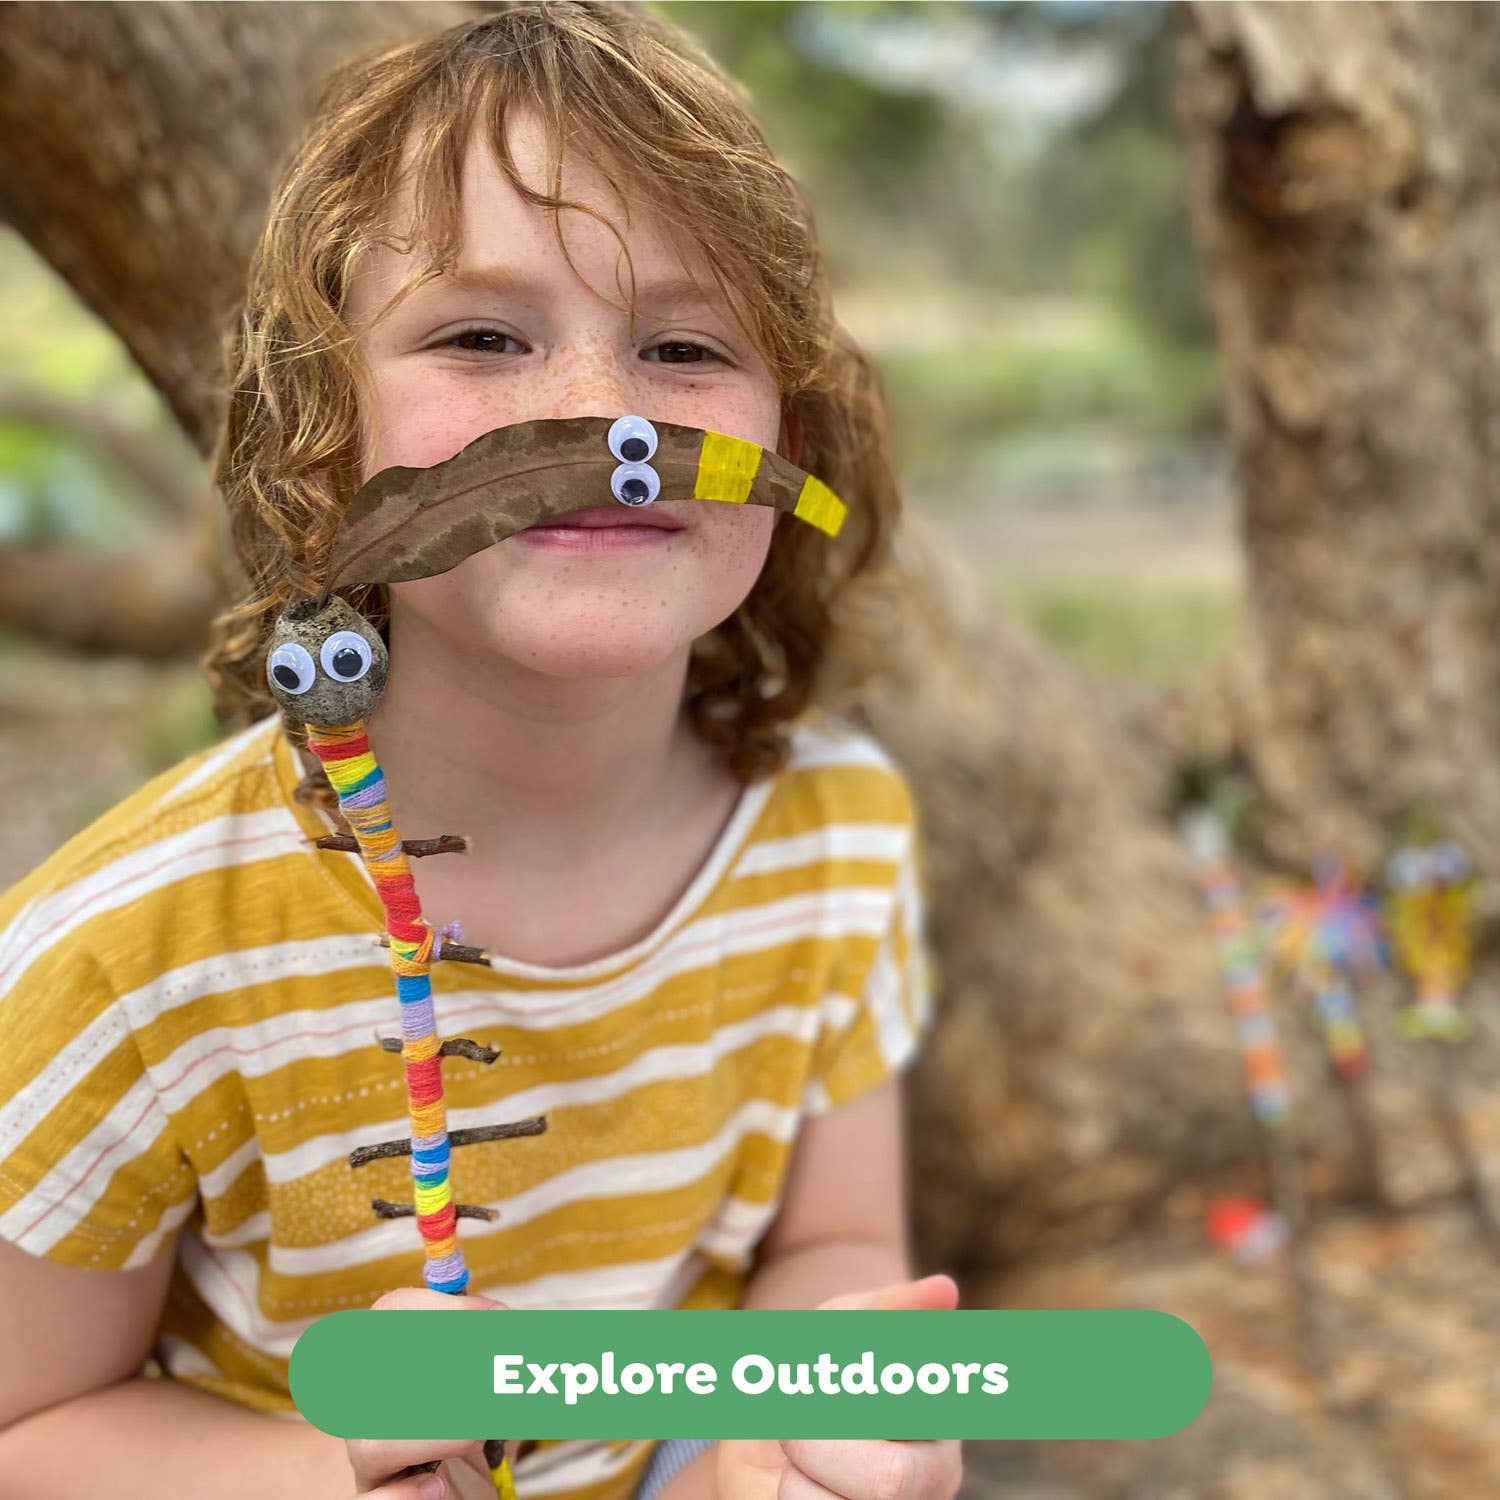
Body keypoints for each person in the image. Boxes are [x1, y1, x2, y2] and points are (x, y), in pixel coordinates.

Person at [0, 6, 961, 1499]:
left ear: (796, 452)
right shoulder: (127, 955)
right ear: (319, 433)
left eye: (687, 346)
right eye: (481, 336)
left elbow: (830, 1247)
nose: (600, 415)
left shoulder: (836, 838)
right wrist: (324, 1470)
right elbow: (24, 1428)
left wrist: (791, 1438)